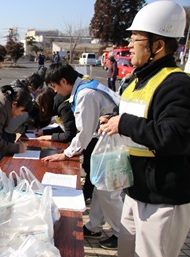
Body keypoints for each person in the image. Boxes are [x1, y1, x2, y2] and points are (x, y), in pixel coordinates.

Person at [99, 2, 190, 256]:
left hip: (162, 198)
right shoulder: (137, 80)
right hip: (135, 190)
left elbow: (175, 137)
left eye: (135, 39)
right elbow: (138, 117)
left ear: (158, 46)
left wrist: (123, 123)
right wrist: (113, 119)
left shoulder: (177, 84)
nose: (129, 45)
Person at [42, 63, 123, 250]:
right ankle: (94, 226)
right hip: (105, 140)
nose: (55, 91)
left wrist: (66, 153)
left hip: (110, 143)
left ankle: (121, 233)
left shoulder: (86, 94)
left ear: (64, 81)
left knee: (107, 190)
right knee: (99, 187)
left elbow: (84, 132)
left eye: (55, 86)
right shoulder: (85, 86)